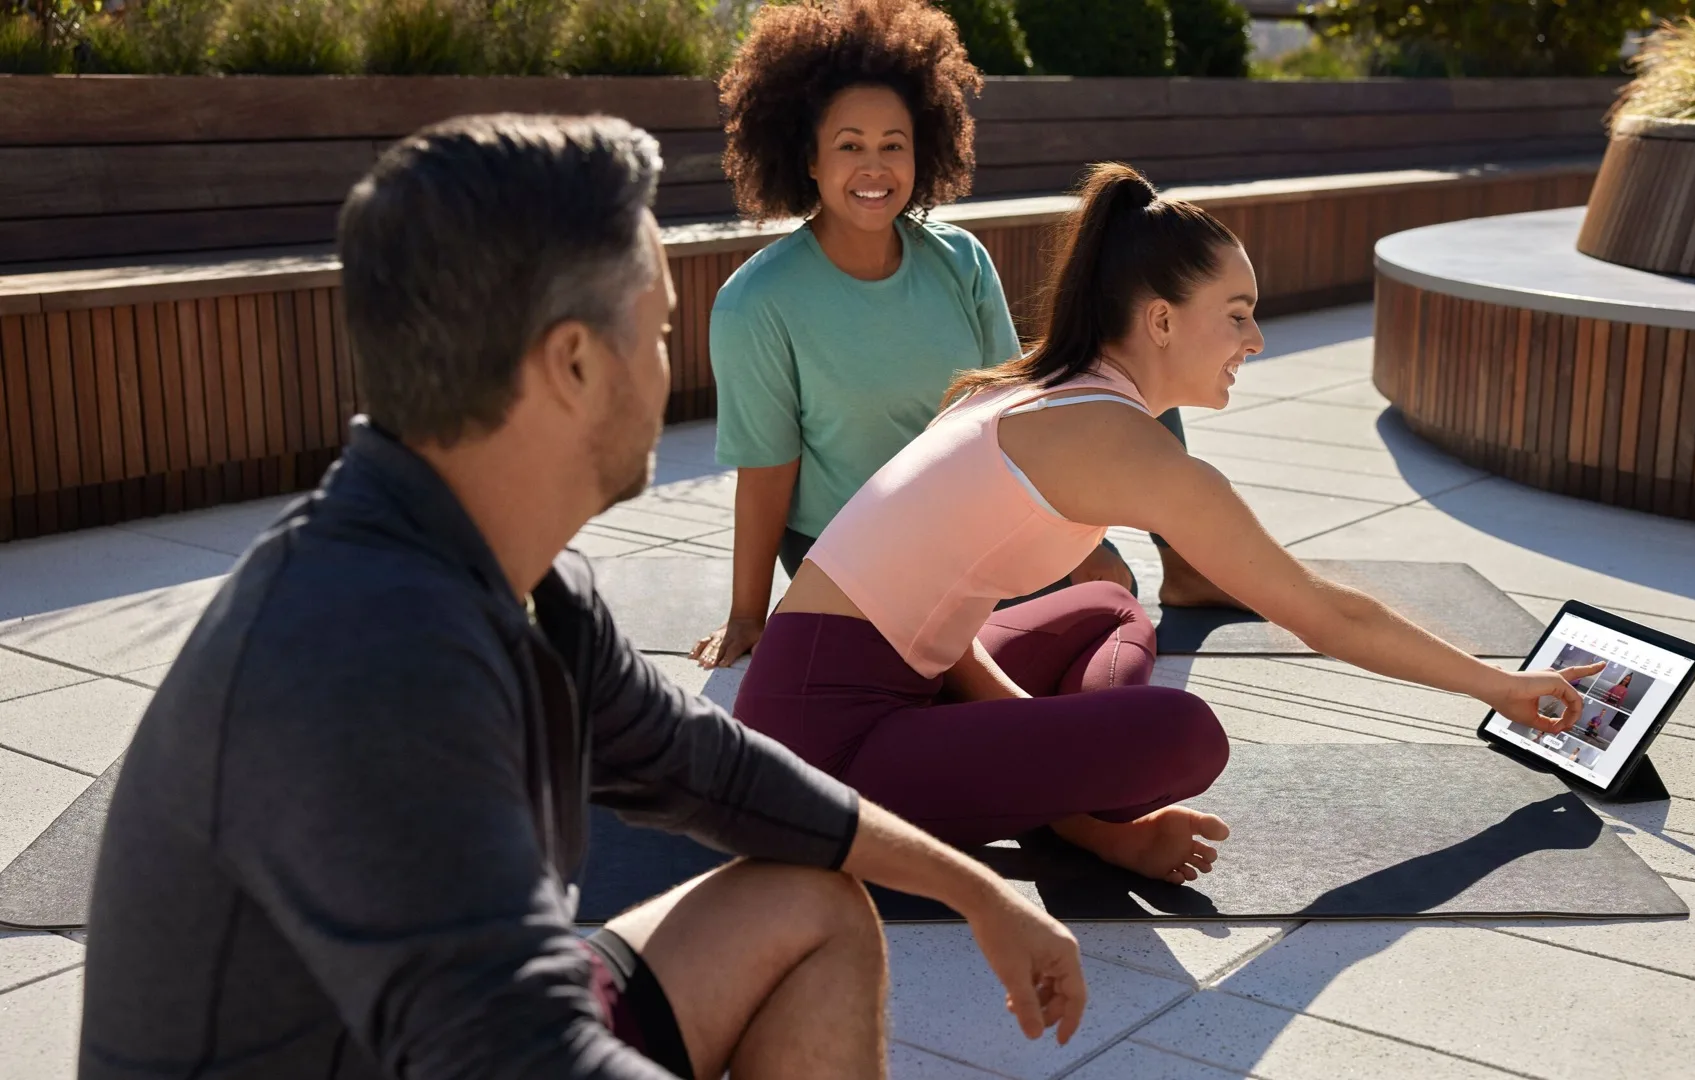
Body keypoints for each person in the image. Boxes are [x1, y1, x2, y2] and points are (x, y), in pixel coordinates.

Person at [78, 115, 1088, 1080]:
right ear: (571, 362)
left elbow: (705, 768)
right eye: (655, 333)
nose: (667, 367)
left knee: (809, 905)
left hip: (445, 1039)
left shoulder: (518, 576)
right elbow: (519, 1058)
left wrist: (979, 891)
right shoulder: (365, 655)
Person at [731, 164, 1605, 884]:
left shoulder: (1023, 392)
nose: (1256, 340)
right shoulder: (1123, 445)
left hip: (877, 682)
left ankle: (1043, 787)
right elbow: (1324, 615)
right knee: (1180, 735)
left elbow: (942, 624)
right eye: (1236, 315)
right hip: (819, 753)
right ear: (1158, 320)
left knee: (1112, 607)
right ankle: (1055, 794)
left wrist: (1048, 762)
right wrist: (1502, 689)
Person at [692, 0, 1235, 670]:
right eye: (849, 145)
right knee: (1096, 627)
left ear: (923, 148)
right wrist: (748, 614)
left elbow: (1016, 411)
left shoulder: (958, 259)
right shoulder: (757, 303)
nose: (875, 168)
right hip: (861, 551)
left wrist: (1074, 536)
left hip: (977, 516)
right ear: (808, 158)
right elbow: (768, 470)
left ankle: (1187, 565)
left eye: (894, 145)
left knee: (1137, 353)